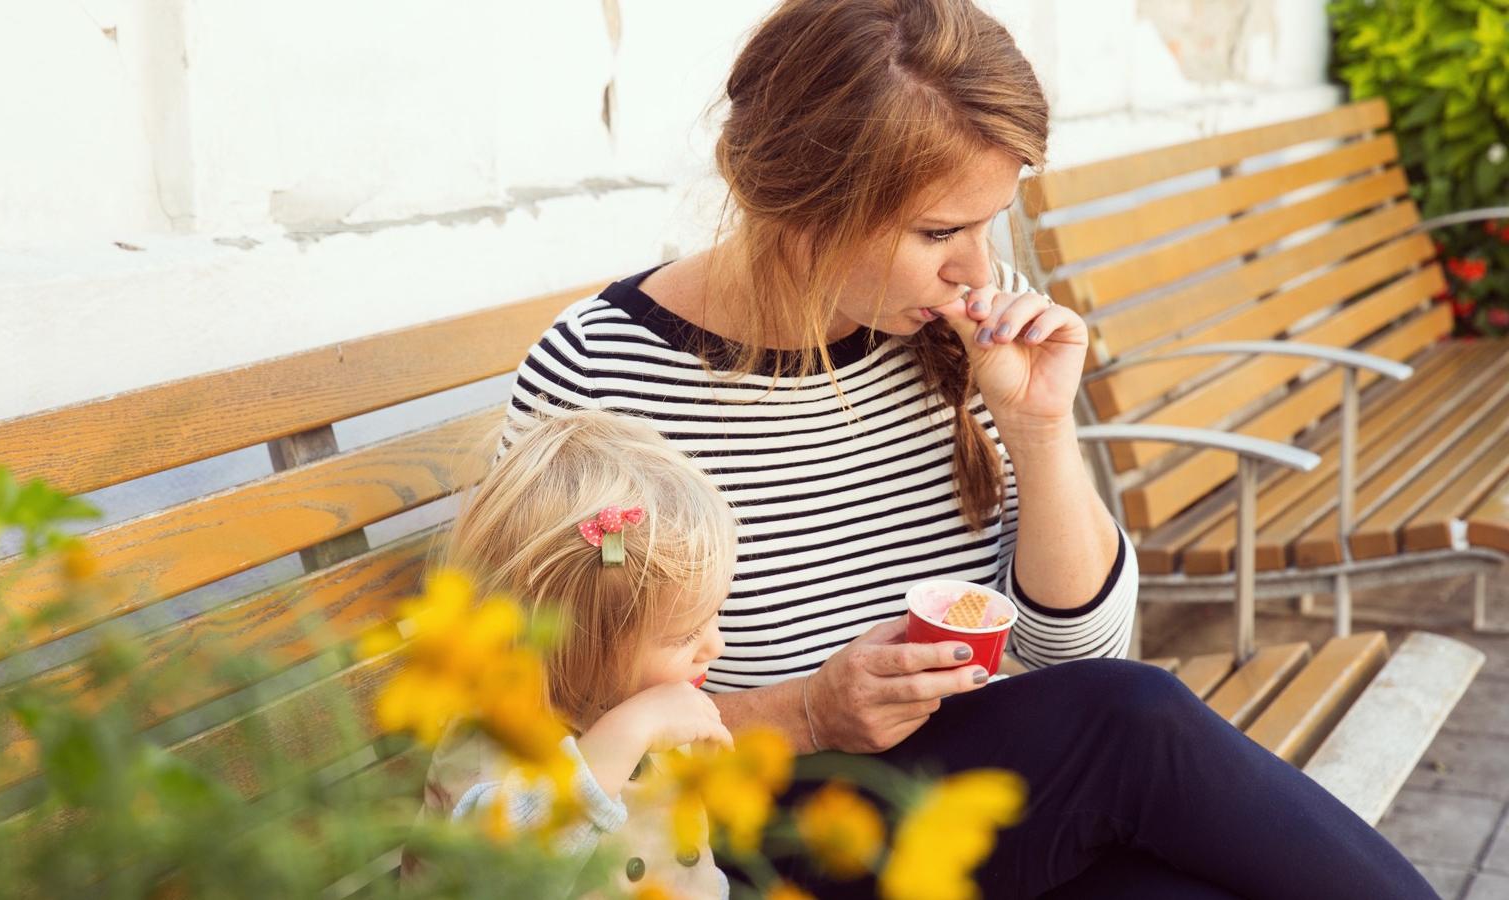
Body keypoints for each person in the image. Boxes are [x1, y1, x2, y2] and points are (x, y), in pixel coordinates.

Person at [498, 1, 1440, 896]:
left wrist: (1038, 428)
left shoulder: (948, 331)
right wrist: (808, 712)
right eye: (940, 231)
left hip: (975, 812)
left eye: (989, 224)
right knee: (1137, 721)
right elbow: (541, 733)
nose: (978, 269)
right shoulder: (603, 373)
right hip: (751, 836)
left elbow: (1076, 648)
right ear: (800, 200)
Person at [404, 411, 739, 899]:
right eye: (684, 635)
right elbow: (506, 879)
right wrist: (627, 734)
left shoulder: (629, 701)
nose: (716, 645)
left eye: (713, 617)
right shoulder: (494, 742)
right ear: (575, 645)